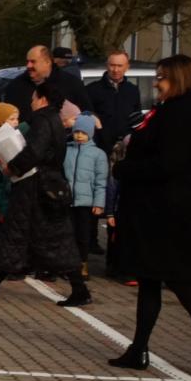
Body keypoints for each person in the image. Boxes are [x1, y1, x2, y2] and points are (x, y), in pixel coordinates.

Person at [108, 55, 191, 377]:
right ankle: (138, 348)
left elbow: (169, 164)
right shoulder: (170, 110)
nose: (156, 83)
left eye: (162, 77)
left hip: (171, 214)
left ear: (178, 79)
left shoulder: (184, 113)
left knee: (181, 282)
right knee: (149, 280)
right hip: (156, 212)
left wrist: (126, 169)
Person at [0, 91, 90, 306]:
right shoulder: (54, 120)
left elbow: (34, 152)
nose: (31, 102)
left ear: (43, 99)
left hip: (34, 189)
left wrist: (13, 167)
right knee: (24, 238)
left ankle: (79, 290)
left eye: (33, 98)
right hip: (46, 188)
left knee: (23, 237)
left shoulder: (42, 120)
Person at [64, 115, 111, 269]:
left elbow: (101, 181)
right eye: (76, 132)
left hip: (86, 202)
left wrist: (99, 203)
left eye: (83, 132)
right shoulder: (66, 150)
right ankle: (68, 264)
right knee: (67, 234)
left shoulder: (98, 154)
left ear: (90, 133)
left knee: (83, 235)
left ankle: (82, 264)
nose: (79, 135)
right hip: (67, 200)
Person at [82, 52, 141, 154]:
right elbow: (86, 118)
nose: (115, 70)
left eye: (120, 66)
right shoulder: (91, 90)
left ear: (127, 67)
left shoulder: (133, 90)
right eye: (112, 65)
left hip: (127, 147)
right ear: (107, 65)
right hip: (99, 147)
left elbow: (137, 119)